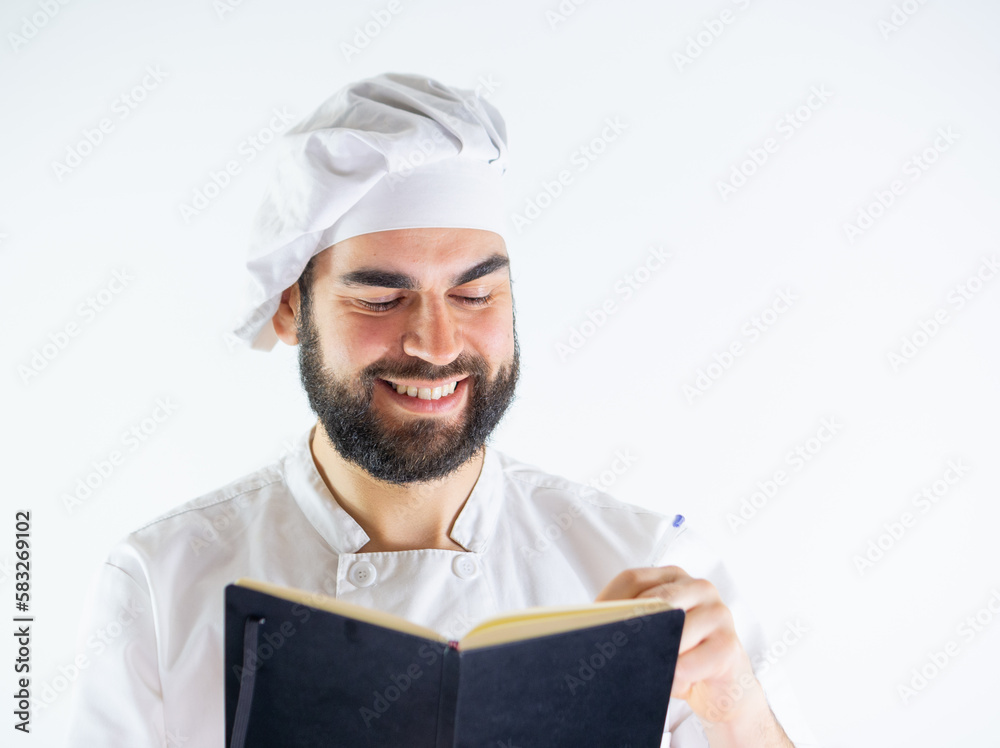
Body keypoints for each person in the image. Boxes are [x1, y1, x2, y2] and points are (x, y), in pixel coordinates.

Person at [65, 72, 820, 747]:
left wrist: (737, 714)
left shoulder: (649, 567)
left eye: (474, 294)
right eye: (381, 297)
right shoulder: (163, 583)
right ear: (292, 310)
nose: (435, 344)